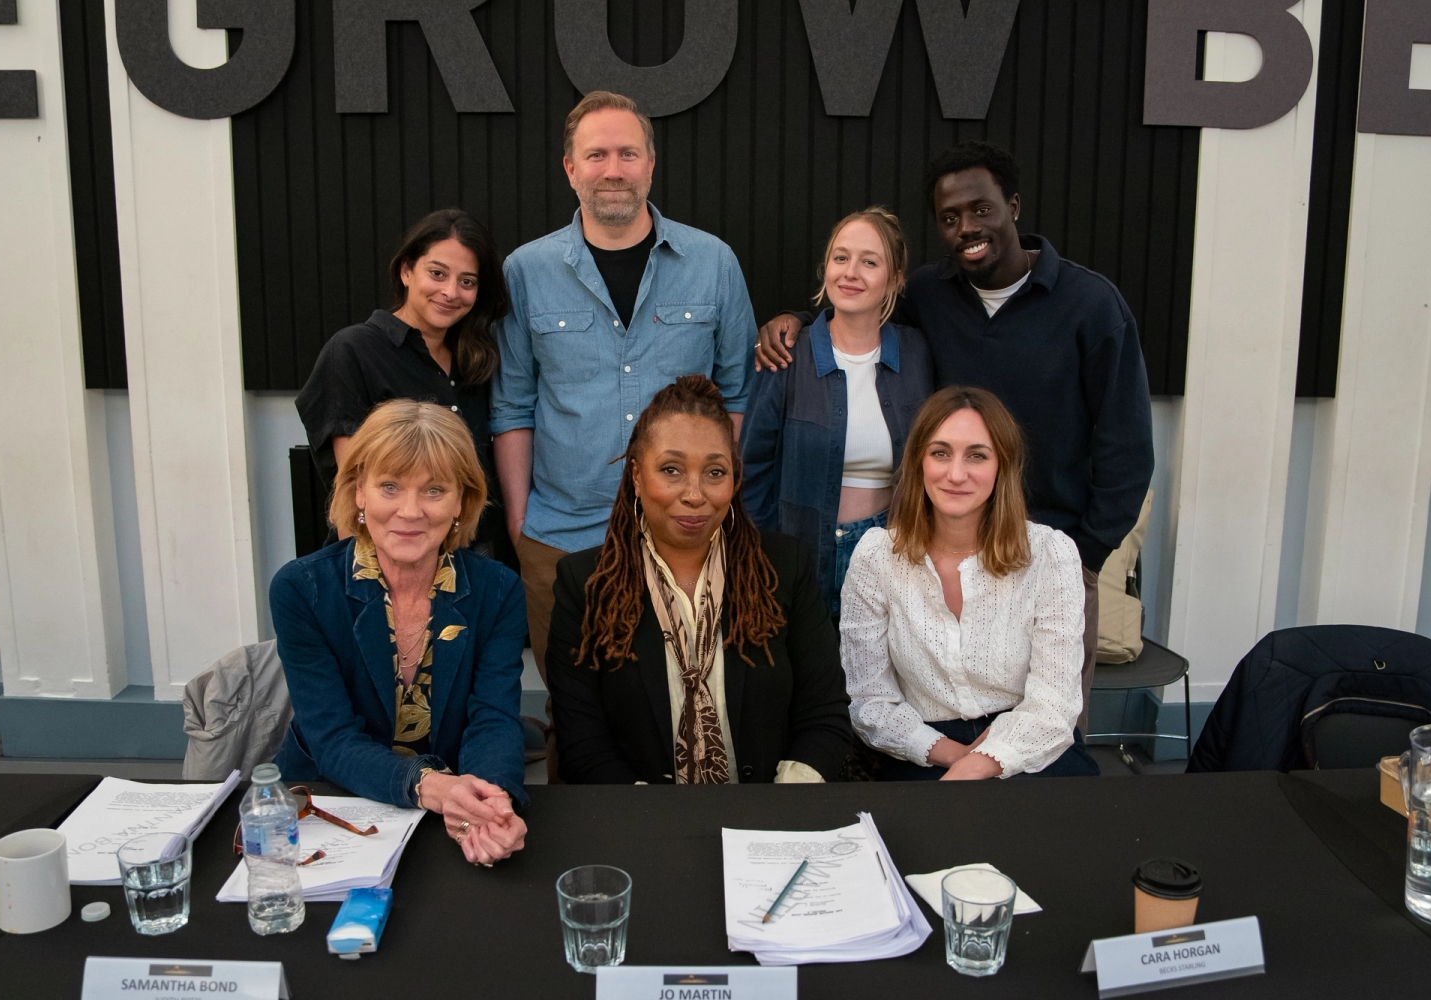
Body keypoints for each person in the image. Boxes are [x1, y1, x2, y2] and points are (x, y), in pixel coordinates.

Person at [757, 142, 1154, 735]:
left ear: (1013, 207)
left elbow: (1128, 449)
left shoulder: (1091, 305)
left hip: (1048, 554)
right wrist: (793, 322)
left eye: (981, 209)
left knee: (1045, 730)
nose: (967, 228)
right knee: (931, 727)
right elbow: (857, 313)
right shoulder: (929, 296)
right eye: (949, 218)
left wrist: (1082, 559)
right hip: (944, 555)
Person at [491, 91, 757, 691]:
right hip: (561, 533)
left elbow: (737, 393)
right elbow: (512, 405)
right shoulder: (525, 271)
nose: (613, 170)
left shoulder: (712, 263)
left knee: (691, 700)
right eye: (597, 155)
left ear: (650, 164)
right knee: (574, 711)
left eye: (627, 154)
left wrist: (714, 500)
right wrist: (518, 521)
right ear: (571, 169)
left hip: (686, 530)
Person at [546, 375, 852, 784]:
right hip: (645, 825)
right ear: (636, 476)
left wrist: (782, 808)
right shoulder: (585, 583)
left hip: (770, 818)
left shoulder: (783, 567)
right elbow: (582, 745)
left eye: (714, 472)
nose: (695, 494)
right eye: (671, 470)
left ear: (735, 478)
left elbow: (825, 715)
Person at [271, 400, 528, 865]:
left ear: (461, 502)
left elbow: (493, 719)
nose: (410, 511)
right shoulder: (301, 589)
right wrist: (431, 786)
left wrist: (491, 802)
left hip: (447, 814)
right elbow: (330, 738)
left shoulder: (499, 590)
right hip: (330, 802)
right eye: (390, 486)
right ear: (359, 493)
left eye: (434, 490)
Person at [840, 386, 1098, 780]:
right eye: (940, 453)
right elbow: (870, 702)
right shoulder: (876, 557)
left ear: (1002, 466)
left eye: (977, 455)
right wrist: (951, 757)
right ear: (919, 462)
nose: (956, 474)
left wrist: (980, 764)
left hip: (1029, 742)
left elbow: (1054, 704)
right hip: (922, 747)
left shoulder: (1050, 554)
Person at [741, 207, 934, 619]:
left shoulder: (918, 354)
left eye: (870, 262)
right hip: (801, 554)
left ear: (895, 279)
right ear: (825, 267)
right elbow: (752, 467)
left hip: (893, 556)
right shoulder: (786, 354)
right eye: (840, 257)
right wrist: (757, 556)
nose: (851, 272)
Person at [296, 208, 512, 560]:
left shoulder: (478, 357)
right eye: (437, 273)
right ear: (406, 270)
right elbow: (353, 484)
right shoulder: (354, 351)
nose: (450, 291)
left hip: (476, 556)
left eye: (467, 281)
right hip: (389, 558)